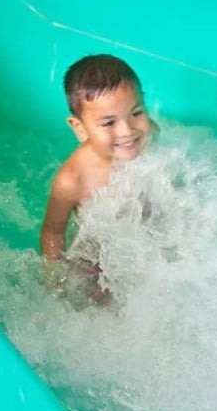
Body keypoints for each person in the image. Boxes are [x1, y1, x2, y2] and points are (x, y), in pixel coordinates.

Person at [39, 54, 157, 303]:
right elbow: (53, 233)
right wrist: (56, 281)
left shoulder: (148, 136)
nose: (128, 131)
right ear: (80, 128)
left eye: (136, 113)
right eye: (109, 123)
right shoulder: (73, 180)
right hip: (99, 259)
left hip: (144, 238)